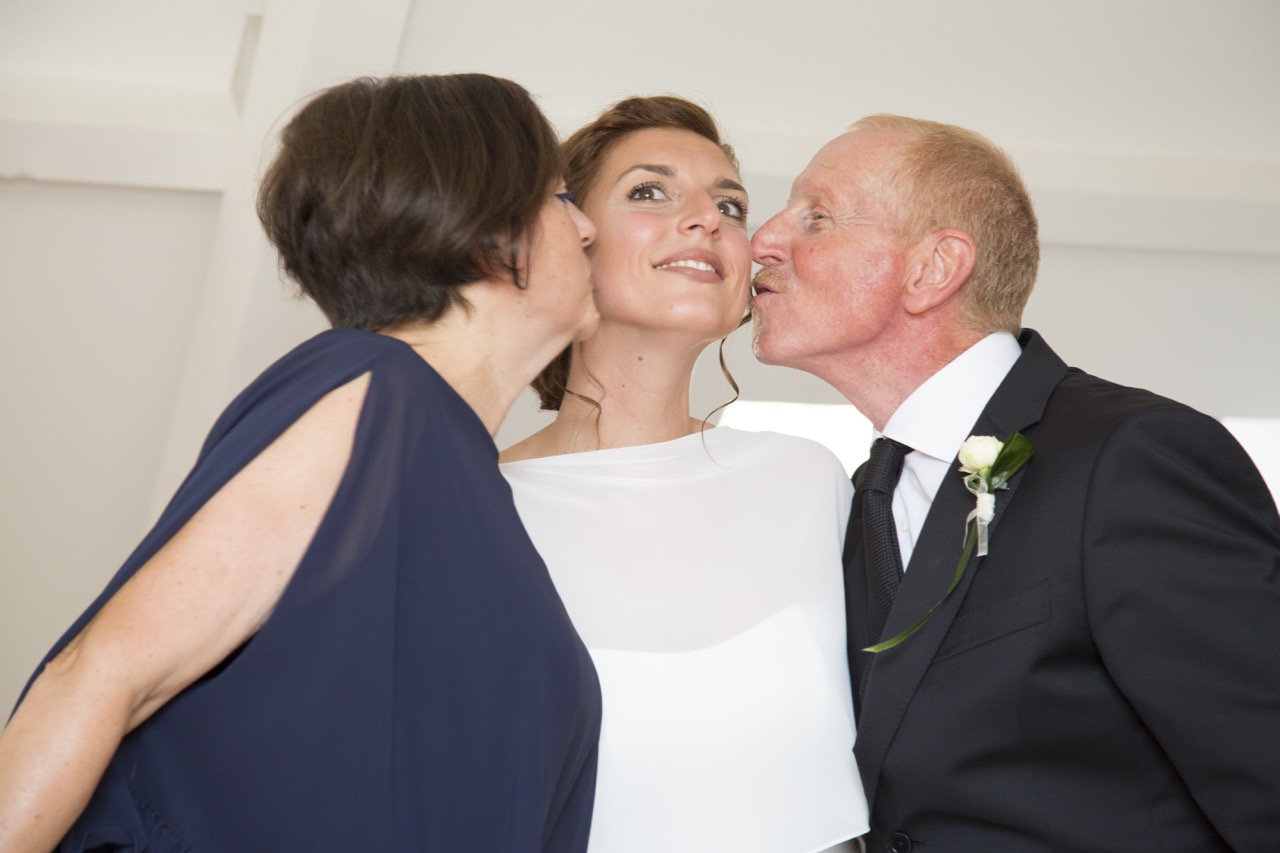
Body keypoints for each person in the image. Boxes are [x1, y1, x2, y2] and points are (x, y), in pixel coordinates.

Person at [0, 73, 603, 852]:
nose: (587, 227)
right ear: (484, 225)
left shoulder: (471, 487)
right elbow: (100, 671)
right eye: (560, 197)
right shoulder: (375, 393)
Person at [750, 113, 1280, 852]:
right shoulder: (860, 496)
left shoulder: (1131, 456)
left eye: (817, 216)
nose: (762, 240)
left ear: (934, 269)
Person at [500, 96, 868, 853]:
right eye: (649, 191)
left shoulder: (808, 480)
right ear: (569, 238)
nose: (708, 220)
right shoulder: (478, 507)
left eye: (730, 206)